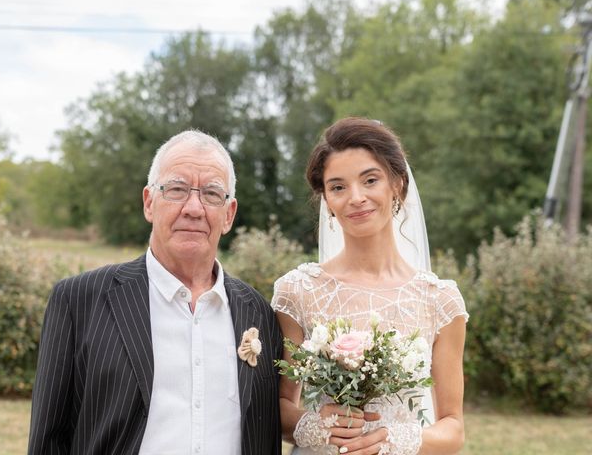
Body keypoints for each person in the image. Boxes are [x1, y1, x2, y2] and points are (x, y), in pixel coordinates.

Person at [28, 130, 283, 455]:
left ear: (229, 214)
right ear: (149, 202)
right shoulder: (78, 300)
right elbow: (49, 441)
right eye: (176, 190)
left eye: (211, 194)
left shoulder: (258, 313)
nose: (194, 208)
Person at [272, 117, 468, 455]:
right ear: (327, 203)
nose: (356, 197)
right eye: (338, 187)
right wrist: (317, 427)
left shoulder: (441, 300)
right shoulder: (297, 291)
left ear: (398, 186)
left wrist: (392, 440)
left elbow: (452, 428)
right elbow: (278, 405)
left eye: (370, 180)